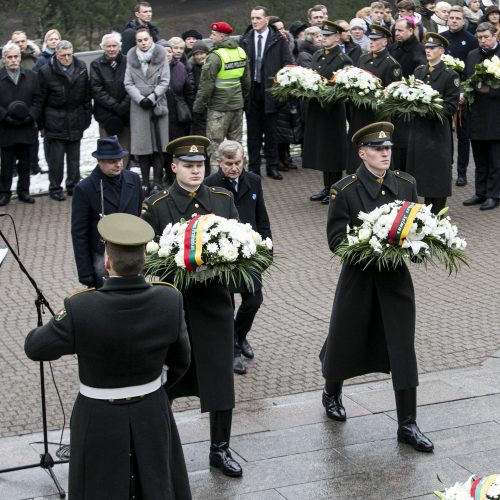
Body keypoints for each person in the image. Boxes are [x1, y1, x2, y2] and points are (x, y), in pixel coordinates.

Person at [25, 212, 192, 500]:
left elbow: (35, 347)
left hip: (98, 415)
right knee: (156, 485)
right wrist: (156, 389)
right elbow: (181, 361)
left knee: (97, 487)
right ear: (145, 261)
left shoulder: (82, 307)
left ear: (107, 260)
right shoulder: (169, 299)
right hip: (151, 409)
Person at [320, 121, 434, 453]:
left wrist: (419, 245)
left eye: (388, 149)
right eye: (378, 149)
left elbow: (417, 225)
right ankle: (331, 391)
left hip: (395, 280)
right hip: (360, 279)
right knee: (345, 338)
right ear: (362, 153)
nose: (386, 154)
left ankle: (408, 423)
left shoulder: (405, 183)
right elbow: (336, 240)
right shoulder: (346, 189)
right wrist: (370, 246)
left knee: (402, 348)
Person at [142, 136, 243, 478]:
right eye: (188, 165)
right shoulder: (157, 206)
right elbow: (149, 262)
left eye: (200, 165)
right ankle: (160, 445)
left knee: (219, 378)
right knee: (169, 380)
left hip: (215, 304)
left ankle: (220, 448)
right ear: (174, 167)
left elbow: (241, 243)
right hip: (176, 306)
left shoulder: (222, 199)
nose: (196, 171)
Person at [205, 140, 271, 375]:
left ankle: (239, 336)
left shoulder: (252, 180)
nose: (234, 168)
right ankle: (232, 351)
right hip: (224, 254)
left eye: (238, 163)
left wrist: (267, 248)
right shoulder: (209, 185)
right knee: (227, 304)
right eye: (229, 164)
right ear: (219, 162)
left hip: (250, 252)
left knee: (254, 300)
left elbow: (261, 216)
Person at [71, 136, 143, 288]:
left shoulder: (134, 179)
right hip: (102, 260)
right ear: (100, 161)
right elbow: (79, 233)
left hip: (132, 257)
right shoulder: (85, 189)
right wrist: (85, 272)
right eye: (112, 161)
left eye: (120, 159)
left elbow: (139, 218)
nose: (118, 164)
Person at [406, 33, 460, 214]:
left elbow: (451, 106)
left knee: (437, 172)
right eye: (427, 48)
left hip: (437, 132)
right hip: (419, 130)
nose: (428, 51)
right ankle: (423, 209)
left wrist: (428, 109)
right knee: (421, 170)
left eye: (433, 48)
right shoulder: (419, 71)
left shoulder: (449, 75)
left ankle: (437, 211)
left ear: (442, 51)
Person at [240, 5, 293, 180]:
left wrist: (282, 92)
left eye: (258, 18)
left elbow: (287, 65)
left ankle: (272, 166)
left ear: (266, 19)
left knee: (271, 132)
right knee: (253, 133)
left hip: (271, 90)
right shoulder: (246, 39)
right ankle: (254, 169)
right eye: (252, 18)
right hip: (252, 90)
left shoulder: (278, 39)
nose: (254, 21)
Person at [304, 21, 352, 204]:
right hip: (318, 108)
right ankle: (326, 187)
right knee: (323, 150)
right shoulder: (317, 54)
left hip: (332, 110)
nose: (324, 38)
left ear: (338, 38)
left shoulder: (343, 59)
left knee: (333, 150)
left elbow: (344, 87)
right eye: (322, 35)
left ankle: (335, 190)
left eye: (328, 35)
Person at [38, 40, 92, 201]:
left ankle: (73, 185)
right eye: (63, 55)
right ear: (56, 55)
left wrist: (86, 117)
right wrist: (42, 125)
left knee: (74, 158)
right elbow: (40, 99)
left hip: (76, 118)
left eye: (69, 54)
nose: (67, 58)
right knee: (56, 160)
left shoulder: (81, 67)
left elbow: (86, 96)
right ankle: (55, 188)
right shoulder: (46, 71)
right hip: (55, 121)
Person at [193, 22, 250, 172]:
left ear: (222, 36)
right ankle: (240, 176)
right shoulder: (241, 52)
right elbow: (246, 82)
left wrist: (198, 107)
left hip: (218, 108)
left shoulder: (215, 56)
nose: (211, 37)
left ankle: (217, 184)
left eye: (213, 34)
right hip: (237, 106)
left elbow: (206, 86)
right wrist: (240, 97)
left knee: (215, 147)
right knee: (236, 144)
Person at [347, 25, 402, 174]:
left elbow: (391, 96)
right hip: (359, 113)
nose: (371, 42)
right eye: (370, 39)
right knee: (357, 151)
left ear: (385, 42)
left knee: (374, 153)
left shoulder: (392, 64)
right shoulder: (363, 58)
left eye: (376, 39)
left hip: (375, 117)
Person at [124, 27, 169, 195]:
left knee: (158, 145)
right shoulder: (131, 58)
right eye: (139, 40)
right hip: (139, 107)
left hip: (157, 104)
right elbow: (128, 83)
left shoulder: (161, 55)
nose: (143, 43)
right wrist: (140, 99)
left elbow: (165, 81)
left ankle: (157, 181)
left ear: (151, 39)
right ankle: (144, 181)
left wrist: (152, 97)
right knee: (143, 146)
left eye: (145, 39)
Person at [463, 22, 500, 210]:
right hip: (476, 115)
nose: (483, 41)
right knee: (479, 158)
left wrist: (491, 90)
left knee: (495, 158)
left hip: (496, 115)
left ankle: (494, 194)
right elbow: (466, 80)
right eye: (480, 38)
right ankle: (480, 192)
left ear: (495, 36)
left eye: (486, 37)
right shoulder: (472, 55)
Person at [0, 43, 42, 206]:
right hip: (6, 128)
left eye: (16, 56)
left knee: (25, 162)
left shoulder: (31, 76)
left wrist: (31, 116)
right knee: (6, 164)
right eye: (9, 57)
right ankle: (4, 193)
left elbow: (38, 99)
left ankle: (24, 191)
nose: (13, 60)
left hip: (26, 126)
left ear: (20, 57)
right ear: (4, 59)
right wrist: (5, 117)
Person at [442, 6, 479, 187]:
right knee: (444, 133)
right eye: (451, 18)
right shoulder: (442, 38)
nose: (454, 21)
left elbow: (472, 68)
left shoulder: (471, 40)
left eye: (458, 18)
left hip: (463, 94)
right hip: (442, 92)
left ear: (464, 20)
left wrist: (464, 91)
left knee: (463, 135)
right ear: (447, 19)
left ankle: (462, 172)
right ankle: (445, 168)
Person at [90, 32, 131, 168]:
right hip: (105, 114)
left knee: (125, 151)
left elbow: (133, 84)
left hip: (125, 114)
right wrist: (114, 105)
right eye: (108, 46)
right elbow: (96, 89)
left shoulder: (128, 61)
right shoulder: (96, 64)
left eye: (114, 46)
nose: (111, 49)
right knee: (107, 152)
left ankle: (124, 176)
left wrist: (123, 106)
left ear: (119, 46)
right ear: (103, 47)